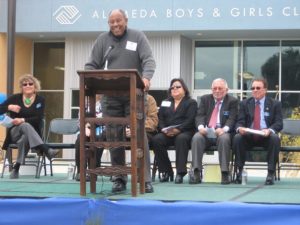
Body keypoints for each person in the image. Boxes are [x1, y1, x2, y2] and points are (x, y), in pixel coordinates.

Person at [84, 9, 156, 193]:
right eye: (112, 22)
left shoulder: (137, 36)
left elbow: (148, 60)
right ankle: (119, 178)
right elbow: (91, 64)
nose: (115, 25)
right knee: (114, 137)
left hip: (135, 95)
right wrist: (88, 79)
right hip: (110, 96)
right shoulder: (102, 40)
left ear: (126, 20)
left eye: (118, 21)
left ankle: (144, 178)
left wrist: (146, 78)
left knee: (139, 136)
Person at [0, 74, 58, 179]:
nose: (27, 85)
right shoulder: (15, 98)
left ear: (35, 86)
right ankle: (45, 149)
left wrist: (22, 119)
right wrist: (9, 107)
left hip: (31, 135)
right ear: (21, 87)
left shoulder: (40, 100)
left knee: (25, 136)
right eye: (24, 84)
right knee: (24, 126)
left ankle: (16, 169)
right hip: (15, 132)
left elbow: (38, 118)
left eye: (30, 83)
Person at [233, 78, 283, 185]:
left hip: (266, 136)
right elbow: (239, 122)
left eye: (258, 88)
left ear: (265, 90)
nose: (255, 90)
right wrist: (240, 128)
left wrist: (269, 130)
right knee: (237, 138)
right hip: (249, 136)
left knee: (275, 138)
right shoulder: (244, 103)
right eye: (253, 88)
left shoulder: (275, 104)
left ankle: (270, 173)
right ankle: (239, 172)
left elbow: (279, 123)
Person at [189, 78, 238, 185]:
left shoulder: (232, 101)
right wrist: (201, 127)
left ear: (226, 90)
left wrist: (224, 129)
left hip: (222, 132)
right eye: (214, 88)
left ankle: (225, 172)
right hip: (206, 132)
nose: (217, 91)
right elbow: (200, 115)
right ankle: (196, 171)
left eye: (220, 88)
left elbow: (232, 119)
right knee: (197, 137)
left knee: (224, 138)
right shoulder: (205, 99)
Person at [152, 78, 197, 184]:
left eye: (178, 87)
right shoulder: (165, 102)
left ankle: (180, 173)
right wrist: (163, 129)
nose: (174, 89)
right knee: (156, 140)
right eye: (172, 87)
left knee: (181, 139)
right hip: (167, 132)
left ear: (184, 89)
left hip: (184, 131)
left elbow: (190, 120)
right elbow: (160, 119)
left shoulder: (191, 102)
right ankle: (166, 171)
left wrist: (178, 129)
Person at [74, 95, 104, 182]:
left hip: (101, 128)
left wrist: (90, 124)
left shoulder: (104, 102)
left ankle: (93, 170)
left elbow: (104, 117)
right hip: (86, 129)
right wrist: (85, 128)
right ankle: (81, 171)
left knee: (98, 138)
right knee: (80, 139)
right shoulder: (84, 103)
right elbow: (80, 120)